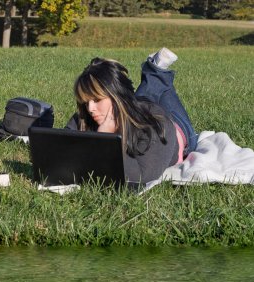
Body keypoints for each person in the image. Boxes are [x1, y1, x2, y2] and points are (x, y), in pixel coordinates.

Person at [65, 48, 198, 184]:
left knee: (154, 93)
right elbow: (60, 151)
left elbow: (140, 178)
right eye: (86, 102)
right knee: (144, 95)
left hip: (178, 128)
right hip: (135, 105)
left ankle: (155, 71)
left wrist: (106, 140)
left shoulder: (156, 124)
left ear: (117, 97)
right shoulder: (85, 117)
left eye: (97, 100)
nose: (90, 108)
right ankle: (155, 70)